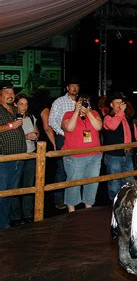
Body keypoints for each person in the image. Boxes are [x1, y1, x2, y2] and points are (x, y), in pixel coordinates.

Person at [61, 95, 102, 212]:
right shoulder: (68, 114)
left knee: (92, 182)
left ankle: (88, 207)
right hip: (75, 156)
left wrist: (88, 112)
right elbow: (69, 127)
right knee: (74, 182)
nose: (84, 104)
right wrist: (76, 112)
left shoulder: (94, 113)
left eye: (86, 102)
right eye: (81, 102)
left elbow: (98, 126)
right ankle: (71, 209)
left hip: (94, 155)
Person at [102, 92, 137, 200]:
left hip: (128, 154)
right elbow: (112, 126)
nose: (120, 105)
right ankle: (114, 205)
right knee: (114, 183)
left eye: (121, 103)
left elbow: (136, 134)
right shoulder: (108, 117)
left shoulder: (127, 118)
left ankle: (128, 204)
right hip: (113, 156)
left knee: (129, 181)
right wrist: (121, 113)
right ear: (111, 105)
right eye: (117, 103)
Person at [48, 78, 80, 209]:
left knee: (77, 168)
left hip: (79, 139)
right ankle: (59, 200)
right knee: (62, 169)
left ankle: (73, 199)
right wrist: (63, 133)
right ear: (67, 88)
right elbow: (51, 121)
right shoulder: (59, 101)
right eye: (72, 86)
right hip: (64, 137)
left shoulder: (82, 102)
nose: (74, 88)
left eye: (76, 86)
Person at [0, 81, 27, 230]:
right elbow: (11, 128)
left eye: (12, 93)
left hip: (18, 159)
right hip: (4, 159)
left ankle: (5, 223)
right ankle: (2, 225)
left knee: (10, 194)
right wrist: (11, 126)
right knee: (2, 194)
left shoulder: (13, 110)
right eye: (7, 93)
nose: (11, 95)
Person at [10, 95, 39, 225]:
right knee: (15, 186)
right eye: (21, 103)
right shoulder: (11, 118)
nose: (24, 106)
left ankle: (27, 214)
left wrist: (35, 136)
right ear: (15, 104)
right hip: (16, 155)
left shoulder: (31, 117)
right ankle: (15, 216)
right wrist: (25, 136)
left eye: (26, 104)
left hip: (30, 155)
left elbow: (37, 132)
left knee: (29, 186)